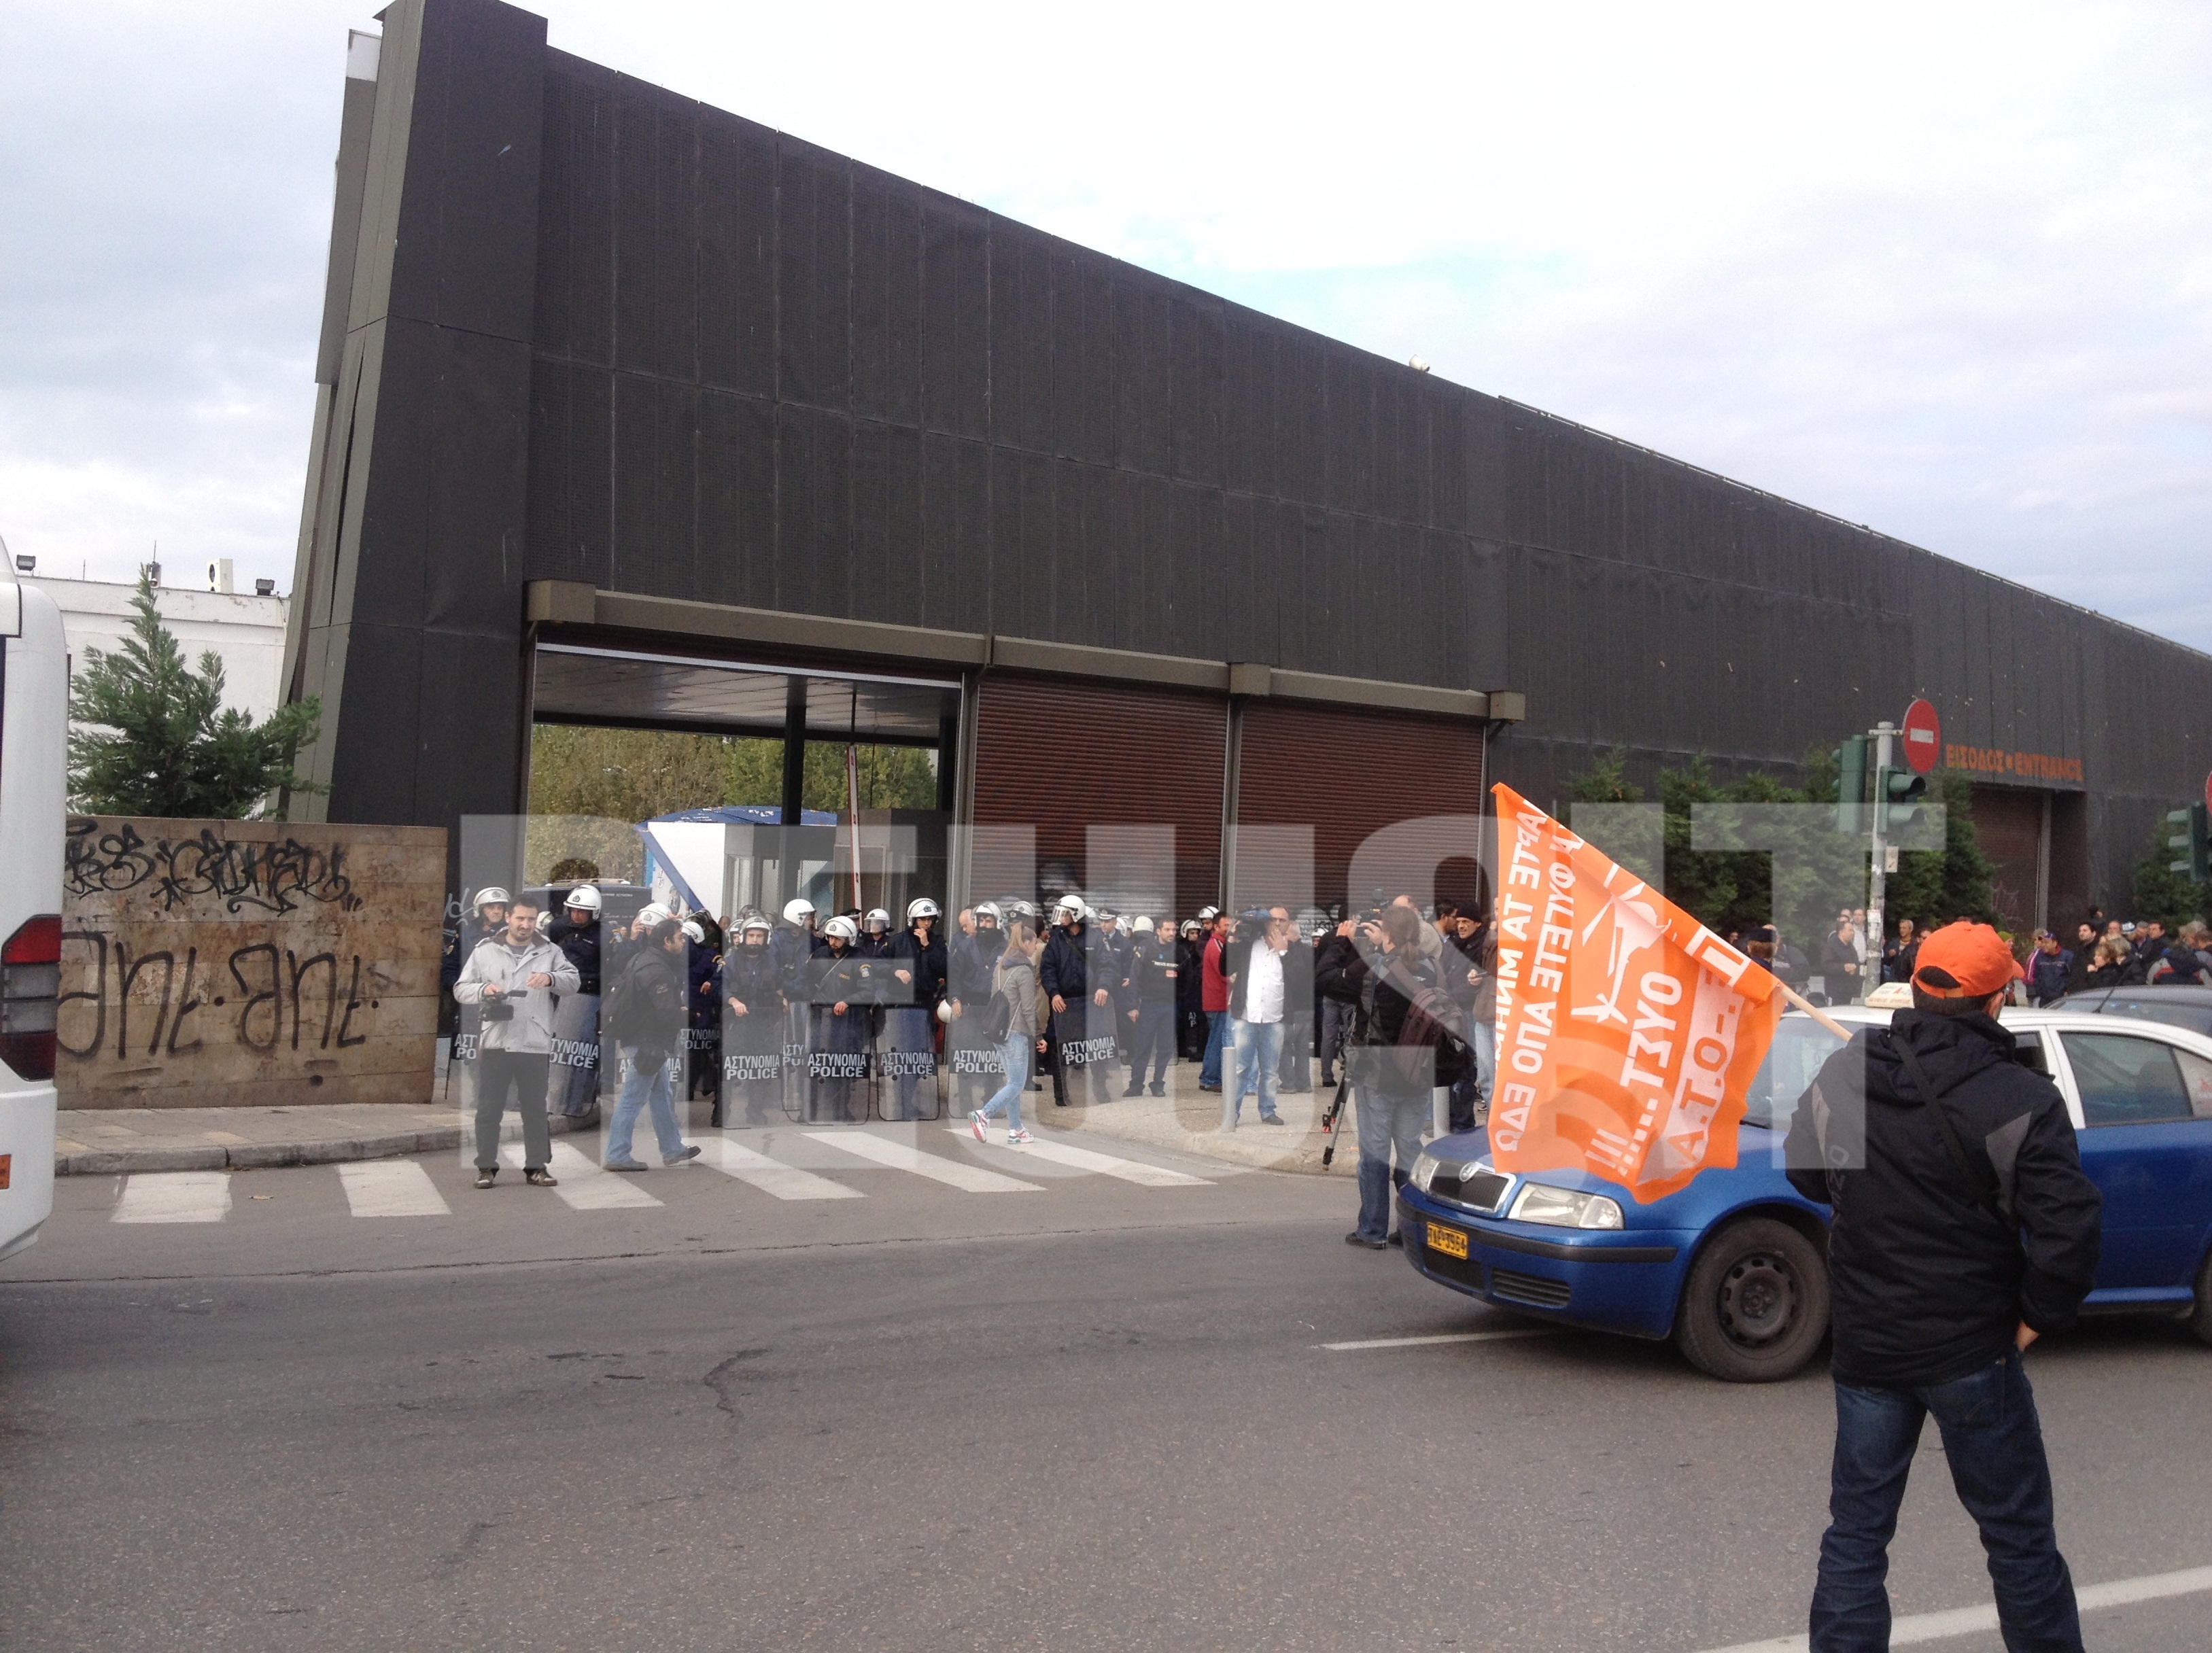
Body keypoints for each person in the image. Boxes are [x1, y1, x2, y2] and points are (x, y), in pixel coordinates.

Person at [1782, 922, 2102, 1652]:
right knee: (2018, 1540)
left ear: (1916, 989)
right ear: (1996, 1001)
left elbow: (1804, 1171)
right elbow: (2069, 1230)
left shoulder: (1849, 1070)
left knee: (1855, 1535)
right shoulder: (2018, 1095)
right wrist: (2037, 1317)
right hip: (1971, 1350)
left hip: (1868, 1346)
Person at [1319, 905, 1440, 1249]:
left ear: (1387, 934)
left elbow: (1325, 980)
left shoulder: (1375, 966)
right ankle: (1412, 1230)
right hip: (1418, 1070)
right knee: (1410, 1150)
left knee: (1375, 1153)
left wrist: (1343, 942)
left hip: (1379, 1072)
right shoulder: (1431, 968)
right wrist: (1381, 946)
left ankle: (1372, 1230)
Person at [453, 894, 578, 1189]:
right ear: (508, 917)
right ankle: (486, 1168)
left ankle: (537, 1168)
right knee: (489, 1110)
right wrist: (484, 989)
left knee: (535, 1109)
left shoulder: (550, 951)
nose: (525, 925)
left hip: (534, 1041)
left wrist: (550, 978)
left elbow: (573, 981)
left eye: (531, 919)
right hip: (496, 1040)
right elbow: (461, 989)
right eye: (520, 918)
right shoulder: (486, 950)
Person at [602, 916, 703, 1171]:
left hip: (645, 1038)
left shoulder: (645, 958)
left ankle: (672, 1148)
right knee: (633, 1098)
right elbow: (665, 1012)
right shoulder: (658, 969)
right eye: (680, 937)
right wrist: (688, 1015)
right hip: (647, 1041)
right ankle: (617, 1154)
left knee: (661, 1095)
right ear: (667, 941)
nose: (683, 942)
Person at [969, 918, 1046, 1145]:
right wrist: (1039, 1036)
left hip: (999, 1031)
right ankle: (984, 1114)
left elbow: (996, 997)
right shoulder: (1024, 970)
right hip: (1016, 1033)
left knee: (1013, 1083)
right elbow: (1029, 1008)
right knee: (1017, 1084)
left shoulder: (1001, 965)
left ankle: (1016, 1130)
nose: (1036, 946)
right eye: (1034, 942)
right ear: (1026, 942)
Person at [1040, 896, 1119, 1108]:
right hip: (1064, 1003)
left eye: (1065, 913)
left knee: (1097, 1044)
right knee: (1059, 1047)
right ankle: (1061, 1094)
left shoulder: (1096, 938)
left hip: (1091, 1002)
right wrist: (1054, 993)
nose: (1061, 918)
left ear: (1076, 915)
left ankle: (1100, 1087)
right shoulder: (1056, 939)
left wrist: (1103, 986)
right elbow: (1047, 969)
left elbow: (1108, 965)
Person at [1224, 908, 1291, 1128]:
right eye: (1273, 920)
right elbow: (1225, 968)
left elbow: (1300, 981)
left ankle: (1268, 1111)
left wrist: (1283, 952)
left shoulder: (1294, 949)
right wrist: (1232, 938)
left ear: (1288, 924)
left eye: (1282, 920)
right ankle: (1232, 1113)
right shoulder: (1248, 944)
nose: (1277, 924)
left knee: (1270, 1070)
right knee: (1240, 1068)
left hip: (1275, 1020)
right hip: (1247, 1017)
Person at [882, 897, 948, 1121]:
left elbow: (945, 968)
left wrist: (928, 946)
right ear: (913, 920)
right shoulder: (897, 942)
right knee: (902, 1055)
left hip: (924, 1005)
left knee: (920, 1057)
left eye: (930, 919)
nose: (926, 924)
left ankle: (908, 1100)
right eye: (922, 919)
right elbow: (876, 965)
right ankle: (900, 1103)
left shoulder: (937, 942)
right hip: (900, 1006)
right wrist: (895, 971)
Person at [543, 884, 604, 1122]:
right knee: (556, 1050)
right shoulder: (557, 927)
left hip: (587, 999)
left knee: (580, 1053)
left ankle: (577, 1101)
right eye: (573, 910)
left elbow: (610, 969)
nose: (576, 915)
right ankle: (552, 1099)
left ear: (594, 913)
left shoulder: (603, 936)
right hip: (557, 994)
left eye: (582, 912)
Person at [717, 911, 784, 1127]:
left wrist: (782, 999)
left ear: (766, 938)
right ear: (744, 936)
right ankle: (722, 1111)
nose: (755, 940)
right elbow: (721, 987)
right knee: (729, 1068)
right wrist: (733, 1001)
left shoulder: (771, 962)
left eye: (760, 936)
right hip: (736, 1024)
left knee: (760, 1068)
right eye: (752, 935)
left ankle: (755, 1111)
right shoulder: (730, 962)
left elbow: (778, 986)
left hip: (762, 1024)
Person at [806, 914, 869, 1122]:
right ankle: (810, 1110)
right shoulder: (820, 954)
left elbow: (868, 990)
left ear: (849, 939)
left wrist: (847, 1001)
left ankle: (841, 1109)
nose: (833, 942)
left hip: (846, 1021)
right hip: (819, 1018)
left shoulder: (860, 959)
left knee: (841, 1066)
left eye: (838, 939)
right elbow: (807, 981)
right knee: (814, 1064)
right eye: (831, 937)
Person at [1122, 916, 1179, 1096]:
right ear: (1158, 931)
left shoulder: (1179, 951)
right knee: (1143, 1047)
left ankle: (1158, 1084)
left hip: (1169, 1006)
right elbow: (1134, 977)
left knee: (1165, 1048)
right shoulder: (1146, 948)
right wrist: (1132, 1006)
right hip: (1148, 1005)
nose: (1171, 933)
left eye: (1174, 930)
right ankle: (1136, 1085)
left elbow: (1187, 978)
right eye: (1167, 930)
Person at [1275, 907, 1317, 1095]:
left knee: (1285, 1045)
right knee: (1302, 1047)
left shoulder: (1292, 953)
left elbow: (1294, 978)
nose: (1282, 937)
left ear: (1294, 934)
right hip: (1308, 1006)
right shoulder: (1309, 951)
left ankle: (1289, 1083)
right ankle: (1304, 1083)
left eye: (1285, 934)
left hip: (1294, 1007)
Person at [1313, 916, 1359, 1090]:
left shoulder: (1326, 938)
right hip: (1349, 992)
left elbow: (1319, 963)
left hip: (1330, 993)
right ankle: (1350, 1075)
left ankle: (1326, 1076)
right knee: (1351, 1035)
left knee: (1328, 1035)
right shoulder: (1356, 938)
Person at [1198, 908, 1233, 1090]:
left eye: (1230, 925)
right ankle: (1211, 1079)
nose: (1229, 928)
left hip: (1217, 1001)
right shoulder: (1217, 945)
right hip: (1218, 1001)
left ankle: (1210, 1077)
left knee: (1216, 1039)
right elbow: (1225, 973)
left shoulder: (1219, 944)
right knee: (1217, 1041)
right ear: (1216, 926)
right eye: (1226, 925)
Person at [1175, 918, 1209, 1062]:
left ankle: (1195, 1048)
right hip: (1183, 991)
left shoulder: (1200, 948)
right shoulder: (1180, 949)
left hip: (1196, 989)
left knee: (1197, 1020)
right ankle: (1181, 1048)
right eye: (1192, 933)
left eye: (1197, 933)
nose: (1195, 936)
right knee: (1182, 1020)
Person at [1818, 917, 1863, 1005]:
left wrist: (1854, 969)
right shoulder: (1831, 946)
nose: (1852, 933)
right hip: (1836, 992)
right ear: (1841, 932)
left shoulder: (1850, 947)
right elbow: (1826, 965)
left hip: (1849, 990)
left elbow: (1856, 962)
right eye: (1850, 931)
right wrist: (1843, 968)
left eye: (1853, 931)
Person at [2026, 930, 2073, 1005]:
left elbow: (2073, 975)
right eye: (2043, 943)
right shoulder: (2039, 957)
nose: (2044, 945)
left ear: (2054, 943)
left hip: (2062, 998)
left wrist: (2067, 991)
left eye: (2047, 942)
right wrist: (2040, 991)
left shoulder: (2066, 956)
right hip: (2044, 999)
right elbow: (2036, 976)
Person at [1880, 918, 1920, 986]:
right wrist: (1889, 955)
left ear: (1911, 929)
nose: (1902, 930)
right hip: (1894, 979)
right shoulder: (1894, 943)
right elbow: (1884, 960)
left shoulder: (1915, 944)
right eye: (1900, 928)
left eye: (1904, 928)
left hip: (1908, 979)